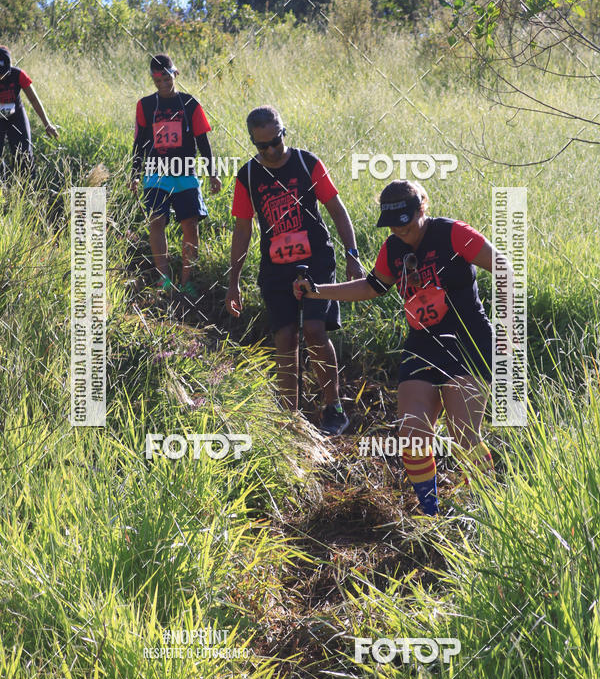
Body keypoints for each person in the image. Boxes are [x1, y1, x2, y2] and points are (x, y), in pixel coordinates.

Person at [294, 179, 509, 514]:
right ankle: (431, 514)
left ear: (422, 207)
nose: (400, 229)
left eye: (405, 221)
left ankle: (487, 512)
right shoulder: (392, 248)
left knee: (464, 435)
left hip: (468, 342)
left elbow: (505, 268)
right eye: (392, 224)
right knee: (412, 435)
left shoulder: (453, 233)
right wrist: (316, 290)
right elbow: (372, 287)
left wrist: (509, 329)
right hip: (422, 344)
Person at [225, 105, 362, 435]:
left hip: (315, 260)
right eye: (262, 146)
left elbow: (337, 210)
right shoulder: (247, 176)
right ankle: (291, 419)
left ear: (283, 132)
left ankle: (334, 408)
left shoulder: (306, 163)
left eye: (276, 141)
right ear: (253, 144)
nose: (271, 150)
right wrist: (233, 282)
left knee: (315, 330)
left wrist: (352, 254)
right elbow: (242, 230)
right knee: (285, 338)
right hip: (275, 267)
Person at [129, 54, 221, 300]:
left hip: (185, 171)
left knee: (190, 224)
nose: (162, 83)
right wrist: (134, 174)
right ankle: (164, 279)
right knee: (156, 222)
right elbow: (140, 143)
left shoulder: (190, 104)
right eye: (156, 79)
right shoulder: (146, 105)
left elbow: (203, 142)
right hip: (156, 172)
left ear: (175, 74)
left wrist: (213, 173)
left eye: (166, 77)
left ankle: (186, 282)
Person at [0, 45, 58, 180]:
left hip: (16, 116)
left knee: (24, 153)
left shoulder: (18, 75)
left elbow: (34, 99)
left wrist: (47, 124)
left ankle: (28, 190)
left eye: (2, 73)